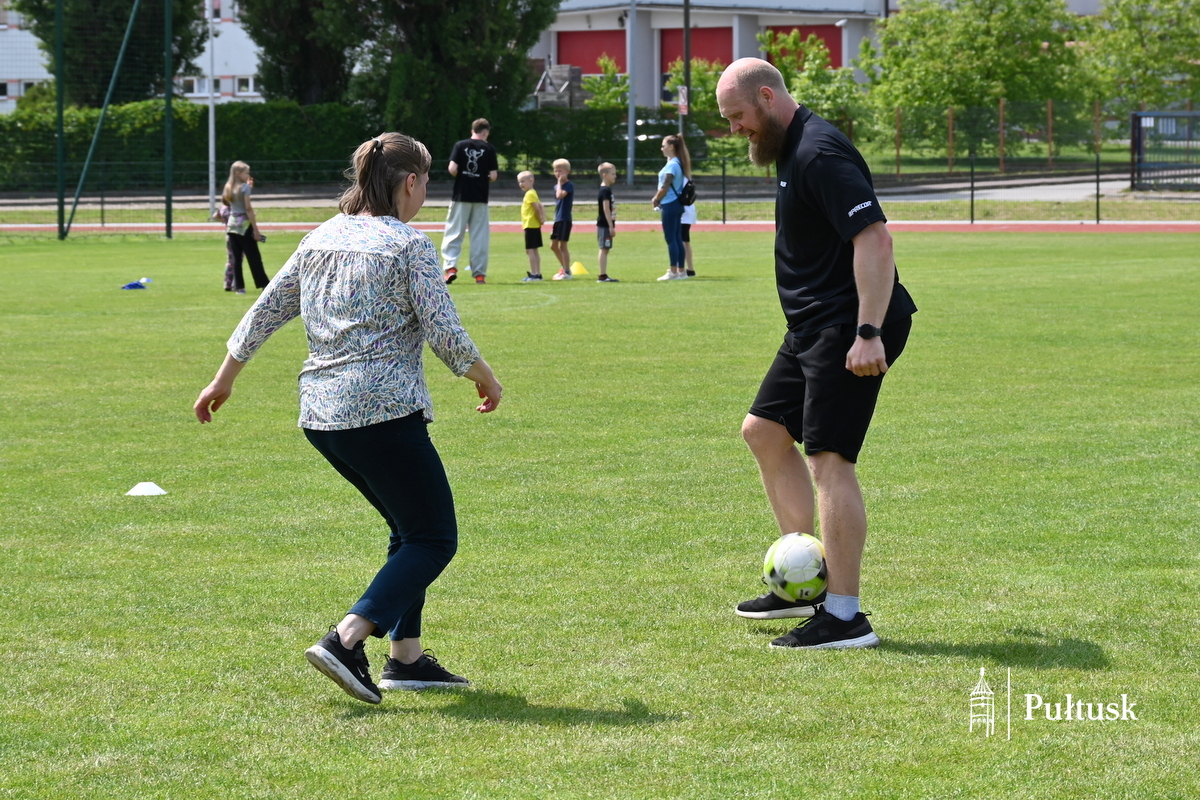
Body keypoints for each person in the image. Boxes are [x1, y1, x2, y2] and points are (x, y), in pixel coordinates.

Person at [193, 132, 504, 704]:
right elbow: (443, 329)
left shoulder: (319, 237)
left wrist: (223, 379)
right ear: (410, 182)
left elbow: (266, 309)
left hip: (322, 415)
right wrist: (483, 376)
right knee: (434, 537)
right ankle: (346, 638)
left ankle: (406, 658)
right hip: (383, 411)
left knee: (407, 529)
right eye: (426, 182)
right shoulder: (408, 244)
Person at [716, 58, 917, 649]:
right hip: (813, 326)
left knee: (829, 459)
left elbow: (875, 239)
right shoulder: (790, 148)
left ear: (768, 97)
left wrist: (868, 331)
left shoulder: (818, 152)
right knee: (763, 432)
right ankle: (800, 578)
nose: (736, 131)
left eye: (739, 118)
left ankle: (844, 615)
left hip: (848, 327)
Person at [442, 119, 499, 285]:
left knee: (454, 232)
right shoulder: (489, 148)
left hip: (461, 195)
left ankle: (450, 268)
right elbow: (494, 176)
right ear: (486, 132)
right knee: (479, 236)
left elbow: (452, 169)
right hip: (480, 198)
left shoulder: (460, 145)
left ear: (473, 130)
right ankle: (479, 274)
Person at [222, 162, 270, 294]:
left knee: (236, 258)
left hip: (232, 225)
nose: (248, 175)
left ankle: (239, 287)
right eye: (246, 173)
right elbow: (248, 208)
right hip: (244, 225)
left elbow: (229, 203)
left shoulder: (228, 187)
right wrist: (256, 230)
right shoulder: (245, 188)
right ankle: (264, 283)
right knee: (254, 256)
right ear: (238, 173)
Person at [650, 135, 691, 281]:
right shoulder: (676, 162)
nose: (662, 148)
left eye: (664, 145)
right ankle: (681, 270)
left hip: (670, 203)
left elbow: (665, 186)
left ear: (671, 147)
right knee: (677, 238)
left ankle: (673, 271)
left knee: (671, 238)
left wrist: (656, 198)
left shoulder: (673, 165)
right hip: (677, 204)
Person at [518, 171, 546, 282]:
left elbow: (536, 208)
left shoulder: (530, 194)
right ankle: (537, 273)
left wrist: (540, 218)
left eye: (523, 181)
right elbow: (541, 206)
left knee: (530, 250)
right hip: (532, 225)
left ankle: (534, 274)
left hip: (530, 225)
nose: (521, 184)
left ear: (531, 180)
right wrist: (542, 218)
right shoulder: (533, 193)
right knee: (533, 250)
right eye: (519, 182)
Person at [549, 158, 575, 281]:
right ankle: (564, 267)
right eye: (556, 171)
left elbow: (560, 195)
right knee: (553, 245)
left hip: (565, 218)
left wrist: (560, 183)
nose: (558, 173)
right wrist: (558, 184)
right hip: (558, 218)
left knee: (563, 245)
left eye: (560, 171)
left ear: (567, 171)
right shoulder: (557, 186)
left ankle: (567, 271)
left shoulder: (568, 185)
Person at [595, 162, 620, 283]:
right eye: (613, 174)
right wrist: (611, 226)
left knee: (606, 248)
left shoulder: (606, 189)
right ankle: (602, 275)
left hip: (606, 225)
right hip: (605, 225)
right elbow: (606, 208)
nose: (615, 176)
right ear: (604, 175)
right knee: (604, 248)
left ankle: (603, 275)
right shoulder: (605, 191)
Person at [680, 180, 697, 277]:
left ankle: (680, 268)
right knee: (685, 240)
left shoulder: (678, 176)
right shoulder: (686, 177)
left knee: (681, 240)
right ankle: (690, 269)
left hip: (683, 211)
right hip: (688, 210)